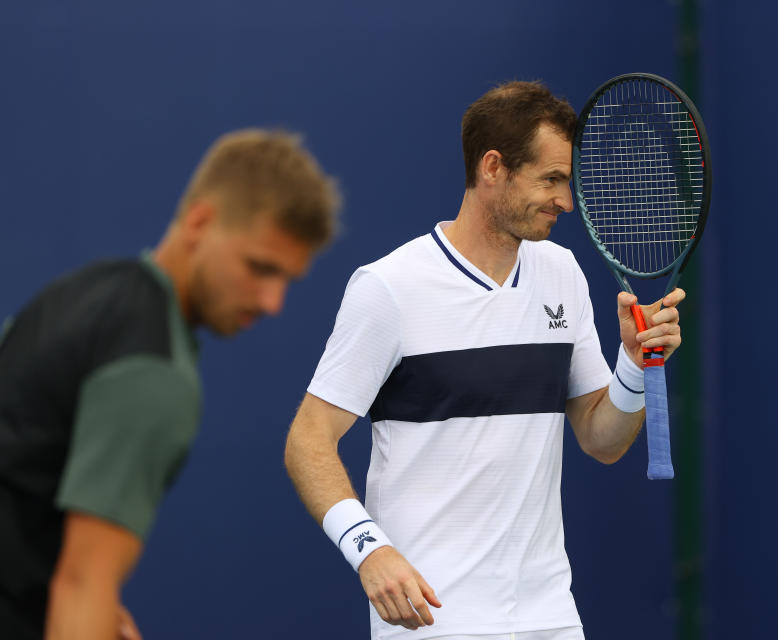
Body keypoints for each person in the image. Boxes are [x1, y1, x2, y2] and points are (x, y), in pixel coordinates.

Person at [284, 82, 684, 640]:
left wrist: (635, 367)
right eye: (551, 179)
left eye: (568, 182)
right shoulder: (388, 287)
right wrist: (368, 549)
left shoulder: (561, 272)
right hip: (433, 619)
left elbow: (603, 439)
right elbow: (308, 437)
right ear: (493, 167)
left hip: (550, 616)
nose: (567, 202)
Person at [0, 129, 340, 640]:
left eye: (286, 280)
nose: (273, 302)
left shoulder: (77, 296)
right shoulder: (156, 373)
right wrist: (85, 604)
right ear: (200, 222)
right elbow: (82, 582)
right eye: (259, 267)